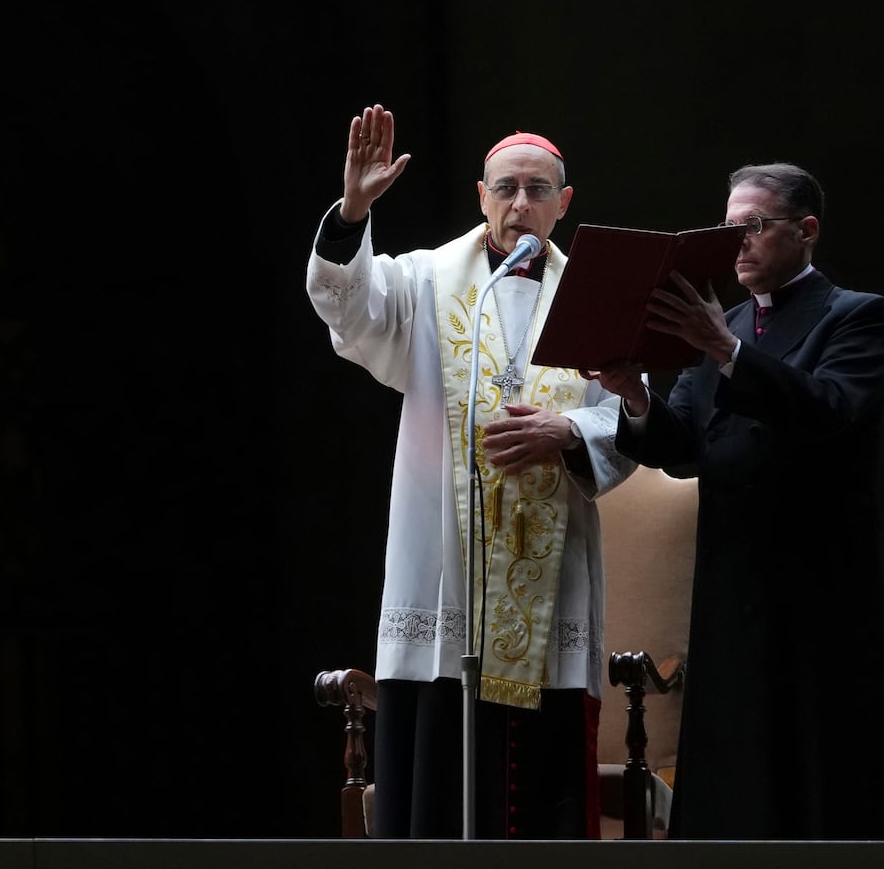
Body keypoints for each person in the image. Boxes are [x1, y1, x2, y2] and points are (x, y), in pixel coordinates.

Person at [305, 103, 635, 839]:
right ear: (480, 195)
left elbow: (630, 417)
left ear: (564, 202)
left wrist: (568, 429)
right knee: (442, 776)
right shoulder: (425, 282)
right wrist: (355, 209)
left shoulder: (599, 296)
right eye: (507, 188)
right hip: (446, 569)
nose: (522, 204)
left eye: (539, 189)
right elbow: (346, 310)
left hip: (553, 576)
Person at [587, 163, 884, 839]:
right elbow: (680, 441)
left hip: (815, 584)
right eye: (727, 230)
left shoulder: (856, 316)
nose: (737, 244)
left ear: (805, 231)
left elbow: (833, 408)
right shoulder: (726, 323)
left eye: (752, 226)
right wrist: (632, 391)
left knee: (811, 766)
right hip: (729, 581)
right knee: (733, 763)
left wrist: (722, 347)